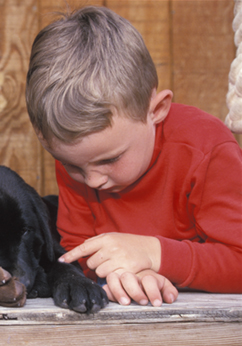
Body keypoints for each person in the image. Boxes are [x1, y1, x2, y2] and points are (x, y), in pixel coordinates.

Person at [25, 6, 242, 307]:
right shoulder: (83, 157)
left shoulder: (206, 149)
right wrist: (127, 278)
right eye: (71, 165)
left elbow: (238, 259)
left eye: (109, 160)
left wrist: (154, 255)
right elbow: (79, 253)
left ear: (156, 111)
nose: (92, 179)